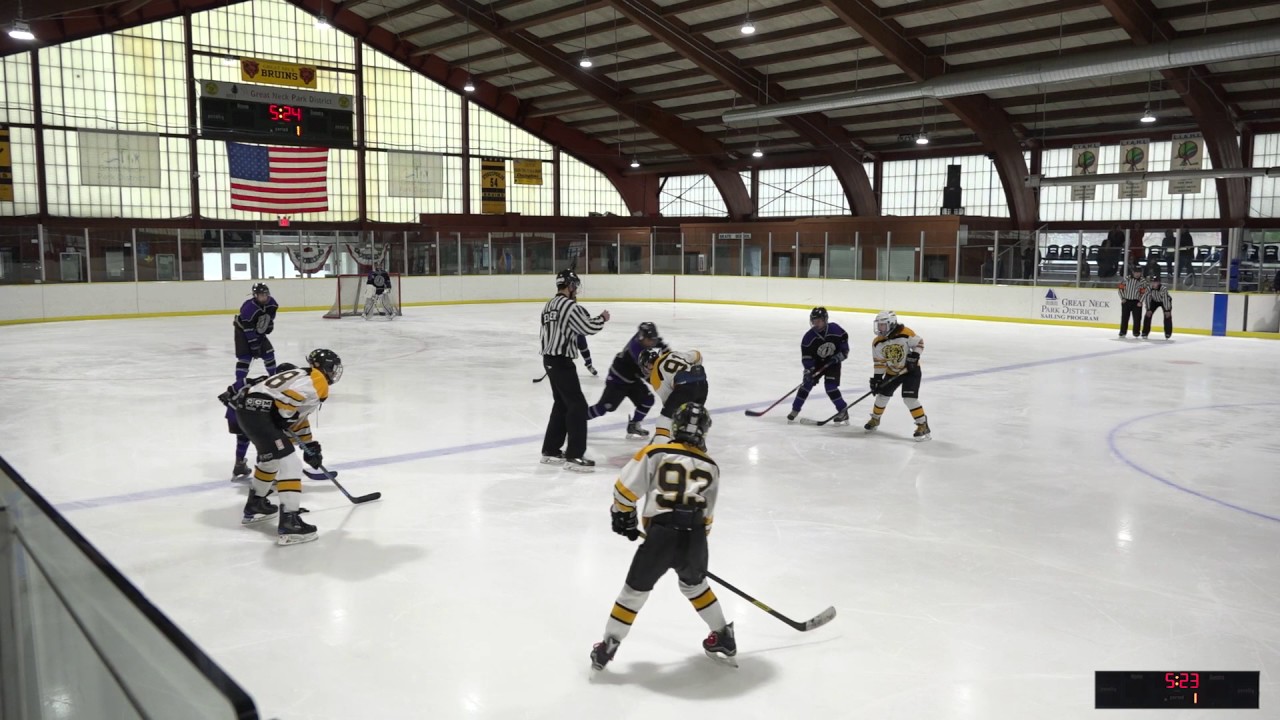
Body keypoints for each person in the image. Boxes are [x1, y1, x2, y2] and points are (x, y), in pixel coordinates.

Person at [589, 402, 735, 671]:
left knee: (634, 592)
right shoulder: (711, 466)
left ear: (676, 426)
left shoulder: (657, 451)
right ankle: (724, 635)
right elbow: (708, 514)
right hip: (696, 537)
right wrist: (693, 548)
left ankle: (609, 644)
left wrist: (624, 516)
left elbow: (624, 490)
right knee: (695, 586)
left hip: (662, 535)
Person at [231, 349, 343, 546]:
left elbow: (297, 419)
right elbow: (288, 403)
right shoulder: (318, 380)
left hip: (248, 411)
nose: (334, 373)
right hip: (259, 414)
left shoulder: (303, 374)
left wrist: (310, 446)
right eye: (332, 368)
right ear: (324, 368)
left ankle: (256, 506)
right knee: (290, 464)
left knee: (270, 461)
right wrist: (283, 415)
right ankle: (290, 523)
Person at [219, 362, 338, 482]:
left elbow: (296, 420)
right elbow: (288, 410)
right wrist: (284, 417)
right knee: (269, 448)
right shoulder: (280, 392)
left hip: (243, 412)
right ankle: (262, 482)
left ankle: (248, 468)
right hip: (245, 413)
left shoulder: (267, 386)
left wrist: (308, 444)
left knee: (262, 445)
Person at [539, 269, 609, 471]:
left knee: (561, 404)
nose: (576, 290)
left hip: (549, 360)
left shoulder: (549, 305)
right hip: (561, 362)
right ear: (569, 285)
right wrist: (602, 318)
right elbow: (586, 328)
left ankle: (550, 450)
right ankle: (574, 456)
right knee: (577, 405)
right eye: (575, 286)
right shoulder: (569, 306)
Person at [588, 322, 668, 438]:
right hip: (617, 381)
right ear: (642, 337)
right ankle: (575, 420)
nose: (652, 343)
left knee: (647, 400)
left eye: (653, 340)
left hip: (632, 379)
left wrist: (668, 352)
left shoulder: (644, 339)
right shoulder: (636, 350)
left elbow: (660, 343)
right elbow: (648, 375)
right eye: (650, 340)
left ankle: (633, 426)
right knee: (603, 408)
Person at [864, 310, 930, 441]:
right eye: (878, 325)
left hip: (911, 371)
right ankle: (875, 419)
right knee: (882, 395)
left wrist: (914, 356)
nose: (879, 328)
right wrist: (877, 379)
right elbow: (880, 362)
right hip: (892, 371)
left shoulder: (905, 333)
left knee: (909, 399)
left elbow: (919, 343)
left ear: (891, 324)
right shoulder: (877, 342)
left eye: (882, 325)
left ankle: (922, 424)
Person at [788, 307, 850, 424]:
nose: (816, 324)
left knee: (830, 387)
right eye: (814, 321)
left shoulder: (835, 329)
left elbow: (844, 340)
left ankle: (843, 411)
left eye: (819, 321)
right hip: (817, 363)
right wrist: (808, 370)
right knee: (806, 385)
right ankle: (795, 410)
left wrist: (842, 354)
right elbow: (806, 357)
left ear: (825, 320)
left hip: (833, 362)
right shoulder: (808, 337)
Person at [647, 346, 708, 442]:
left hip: (684, 388)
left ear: (648, 364)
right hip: (703, 385)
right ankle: (697, 443)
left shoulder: (654, 375)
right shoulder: (672, 354)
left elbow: (668, 402)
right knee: (693, 416)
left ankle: (660, 445)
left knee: (664, 419)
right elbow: (697, 355)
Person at [233, 283, 278, 390]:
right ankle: (239, 383)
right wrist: (254, 346)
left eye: (265, 294)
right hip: (242, 331)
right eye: (261, 295)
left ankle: (274, 378)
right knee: (245, 358)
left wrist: (269, 325)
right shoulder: (249, 308)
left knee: (269, 354)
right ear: (255, 295)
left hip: (258, 331)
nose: (264, 297)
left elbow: (270, 317)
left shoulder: (272, 303)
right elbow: (248, 329)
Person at [1117, 264, 1147, 338]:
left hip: (1136, 302)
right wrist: (1122, 298)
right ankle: (1122, 331)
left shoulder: (1143, 281)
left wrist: (1140, 301)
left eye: (1139, 272)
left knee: (1137, 318)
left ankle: (1136, 332)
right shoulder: (1127, 278)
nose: (1137, 274)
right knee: (1124, 317)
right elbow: (1120, 288)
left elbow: (1144, 292)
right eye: (1136, 272)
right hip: (1126, 301)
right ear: (1133, 272)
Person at [1141, 275, 1173, 339]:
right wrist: (1148, 309)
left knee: (1167, 316)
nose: (1153, 284)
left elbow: (1165, 299)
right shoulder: (1149, 288)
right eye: (1152, 282)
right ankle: (1145, 332)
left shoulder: (1163, 288)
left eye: (1155, 282)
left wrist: (1167, 310)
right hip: (1154, 301)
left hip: (1164, 301)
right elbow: (1147, 298)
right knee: (1148, 315)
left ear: (1159, 283)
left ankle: (1168, 333)